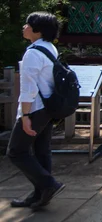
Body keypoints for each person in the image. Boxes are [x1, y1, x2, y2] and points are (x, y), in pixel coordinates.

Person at [7, 12, 65, 209]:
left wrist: (25, 116)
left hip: (35, 109)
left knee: (16, 151)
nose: (24, 27)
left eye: (28, 24)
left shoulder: (33, 53)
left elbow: (28, 87)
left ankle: (49, 185)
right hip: (48, 108)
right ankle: (40, 195)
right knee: (41, 151)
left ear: (37, 30)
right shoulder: (50, 48)